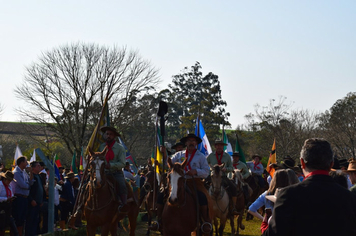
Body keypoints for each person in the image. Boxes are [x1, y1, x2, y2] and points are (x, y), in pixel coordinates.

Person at [262, 138, 356, 236]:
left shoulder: (287, 196)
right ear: (331, 164)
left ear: (302, 163)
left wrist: (266, 224)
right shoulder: (350, 198)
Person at [149, 133, 212, 234]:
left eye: (193, 141)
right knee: (161, 195)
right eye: (189, 141)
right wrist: (164, 154)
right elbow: (167, 164)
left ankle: (205, 222)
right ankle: (158, 219)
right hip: (177, 181)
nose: (191, 142)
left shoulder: (201, 156)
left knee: (202, 197)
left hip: (194, 182)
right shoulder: (179, 154)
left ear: (196, 143)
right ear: (186, 143)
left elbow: (206, 172)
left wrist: (196, 171)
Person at [98, 126, 127, 212]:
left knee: (122, 185)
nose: (108, 136)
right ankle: (82, 205)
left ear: (114, 136)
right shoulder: (101, 147)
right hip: (103, 173)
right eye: (107, 134)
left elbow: (122, 163)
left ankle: (123, 205)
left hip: (116, 173)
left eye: (110, 134)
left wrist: (111, 165)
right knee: (89, 183)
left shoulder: (120, 148)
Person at [207, 140, 238, 215]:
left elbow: (231, 167)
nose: (219, 147)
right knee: (203, 187)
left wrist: (226, 169)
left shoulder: (227, 156)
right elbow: (205, 166)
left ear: (223, 146)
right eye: (218, 145)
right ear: (215, 146)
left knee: (233, 188)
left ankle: (233, 207)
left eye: (221, 145)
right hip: (212, 177)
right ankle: (203, 206)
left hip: (223, 177)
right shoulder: (210, 156)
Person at [11, 156, 33, 236]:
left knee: (23, 218)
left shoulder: (24, 172)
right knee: (18, 218)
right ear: (21, 163)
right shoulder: (16, 172)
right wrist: (28, 186)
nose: (27, 163)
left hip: (24, 198)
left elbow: (30, 182)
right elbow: (23, 185)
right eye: (25, 161)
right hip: (19, 198)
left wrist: (31, 173)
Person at [25, 161, 46, 236]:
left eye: (40, 166)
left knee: (37, 220)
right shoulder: (31, 176)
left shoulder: (39, 176)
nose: (40, 167)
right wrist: (31, 199)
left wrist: (42, 200)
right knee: (31, 220)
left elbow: (41, 189)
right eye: (38, 166)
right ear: (33, 168)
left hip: (39, 202)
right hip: (32, 202)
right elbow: (28, 189)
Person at [0, 170, 18, 236]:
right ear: (5, 179)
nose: (9, 182)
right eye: (8, 180)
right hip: (1, 208)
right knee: (2, 228)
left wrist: (12, 198)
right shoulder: (0, 185)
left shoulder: (9, 186)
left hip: (8, 209)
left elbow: (11, 194)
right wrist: (6, 199)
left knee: (10, 226)